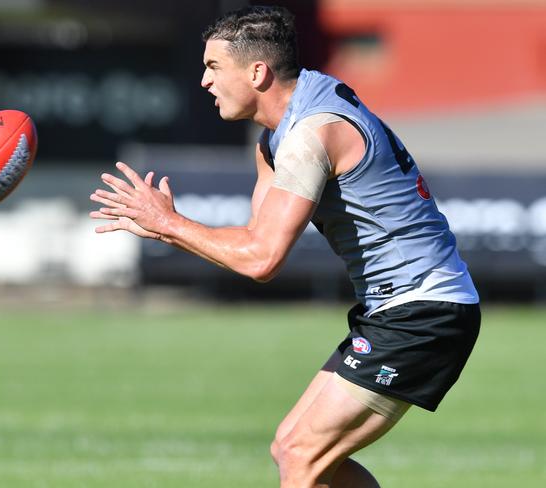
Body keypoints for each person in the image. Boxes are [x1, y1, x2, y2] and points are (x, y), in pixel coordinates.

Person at [89, 6, 481, 488]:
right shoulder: (278, 135)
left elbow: (261, 260)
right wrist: (170, 227)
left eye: (213, 67)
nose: (204, 82)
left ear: (257, 72)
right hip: (400, 309)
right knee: (296, 450)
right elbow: (255, 245)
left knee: (301, 454)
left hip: (423, 310)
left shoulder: (310, 132)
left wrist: (170, 225)